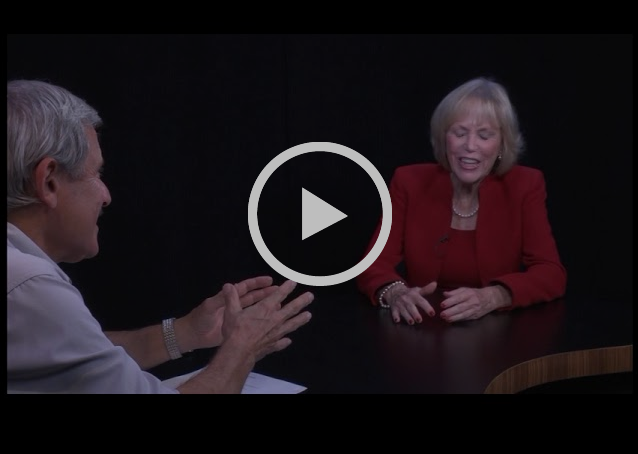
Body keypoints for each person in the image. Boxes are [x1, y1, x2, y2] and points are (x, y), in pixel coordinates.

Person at [7, 79, 314, 394]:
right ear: (49, 182)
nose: (106, 195)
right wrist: (243, 348)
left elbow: (82, 357)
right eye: (96, 174)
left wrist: (184, 333)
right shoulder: (30, 286)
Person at [357, 77, 566, 325]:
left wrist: (496, 296)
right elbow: (372, 265)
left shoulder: (525, 185)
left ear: (502, 145)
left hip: (496, 332)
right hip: (420, 326)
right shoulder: (409, 181)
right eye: (460, 133)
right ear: (444, 138)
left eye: (484, 135)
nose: (470, 145)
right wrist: (395, 292)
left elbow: (551, 273)